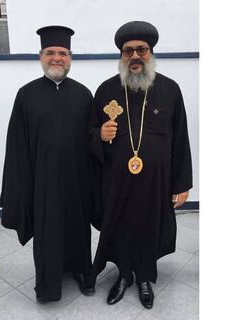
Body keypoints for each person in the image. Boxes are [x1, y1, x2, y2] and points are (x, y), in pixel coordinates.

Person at [86, 21, 193, 309]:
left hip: (155, 182)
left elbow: (181, 138)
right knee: (119, 226)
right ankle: (123, 275)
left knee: (149, 227)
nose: (134, 56)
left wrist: (182, 184)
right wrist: (99, 135)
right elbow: (89, 132)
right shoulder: (106, 89)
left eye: (141, 50)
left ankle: (145, 276)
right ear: (121, 56)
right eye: (128, 51)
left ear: (151, 53)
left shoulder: (170, 89)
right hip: (116, 181)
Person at [0, 25, 95, 303]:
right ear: (40, 56)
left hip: (77, 179)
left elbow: (92, 139)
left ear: (70, 57)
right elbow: (16, 143)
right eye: (51, 52)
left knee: (78, 227)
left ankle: (81, 271)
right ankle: (48, 284)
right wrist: (19, 185)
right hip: (42, 181)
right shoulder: (26, 95)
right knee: (47, 232)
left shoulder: (83, 95)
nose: (57, 58)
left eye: (62, 53)